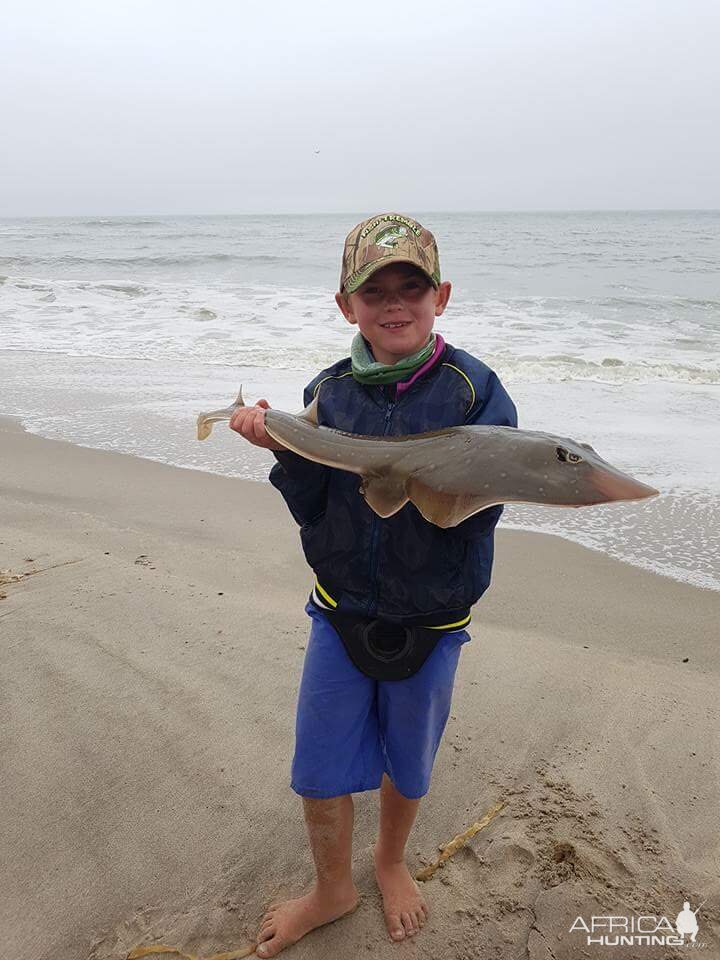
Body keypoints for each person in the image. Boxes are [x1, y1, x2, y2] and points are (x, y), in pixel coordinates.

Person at [230, 212, 517, 957]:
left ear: (441, 295)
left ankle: (389, 861)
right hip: (339, 609)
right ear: (345, 305)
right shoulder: (327, 392)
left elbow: (480, 515)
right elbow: (313, 502)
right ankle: (332, 887)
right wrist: (283, 448)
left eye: (411, 287)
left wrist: (421, 484)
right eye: (374, 289)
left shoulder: (476, 394)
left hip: (431, 618)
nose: (395, 304)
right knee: (318, 765)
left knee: (408, 759)